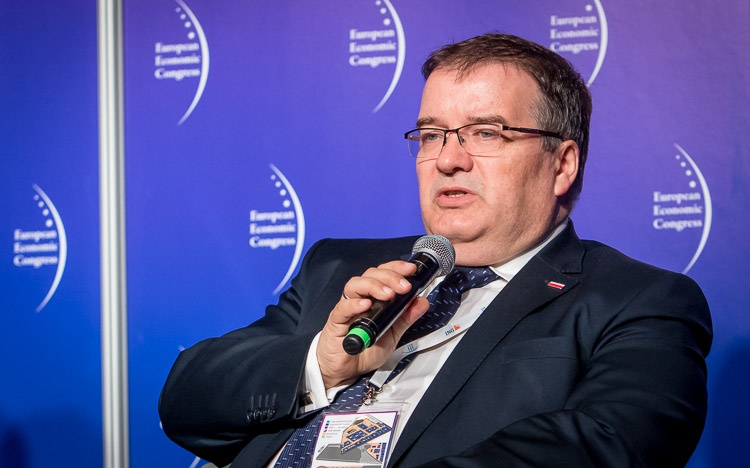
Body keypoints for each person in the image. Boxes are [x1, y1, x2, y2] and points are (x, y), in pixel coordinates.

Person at [159, 33, 712, 467]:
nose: (447, 159)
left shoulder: (636, 301)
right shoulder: (342, 269)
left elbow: (604, 444)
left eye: (486, 133)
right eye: (431, 135)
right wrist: (321, 365)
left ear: (562, 163)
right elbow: (186, 402)